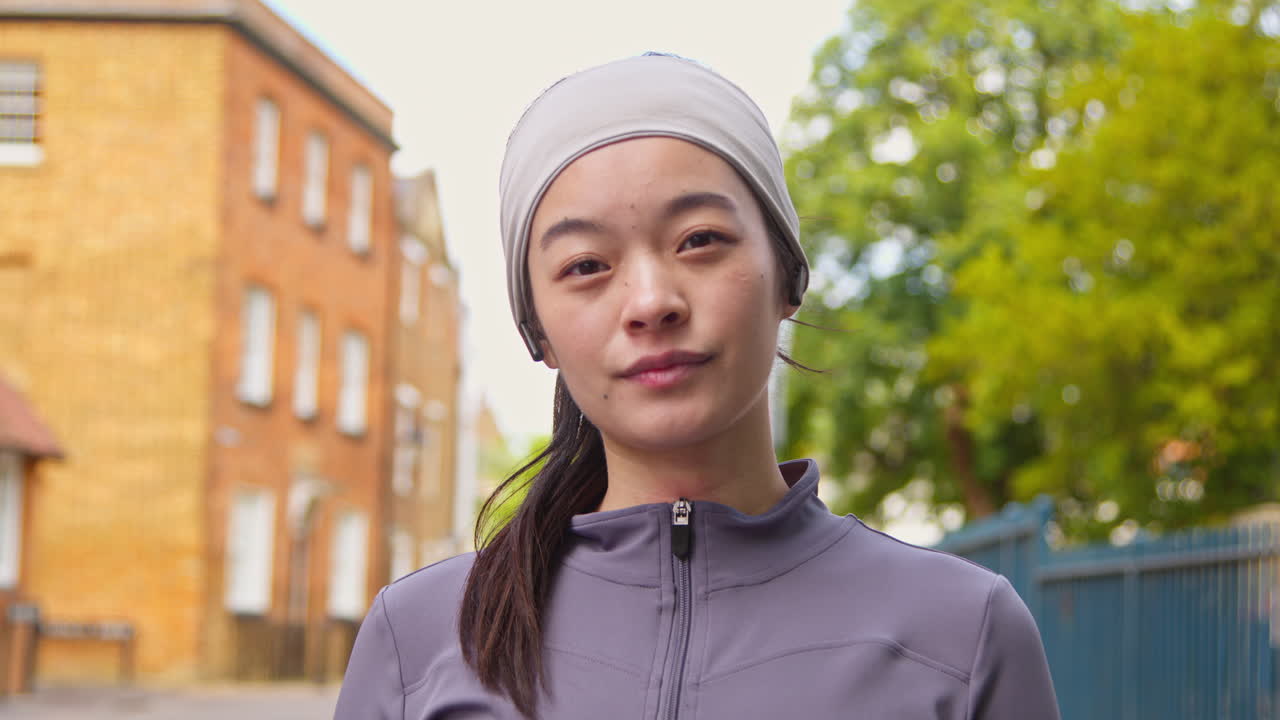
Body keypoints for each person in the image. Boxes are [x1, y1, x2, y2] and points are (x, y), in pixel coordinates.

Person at [333, 53, 1060, 720]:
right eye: (586, 265)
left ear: (788, 278)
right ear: (540, 334)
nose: (651, 301)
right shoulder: (421, 637)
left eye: (699, 240)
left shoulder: (961, 633)